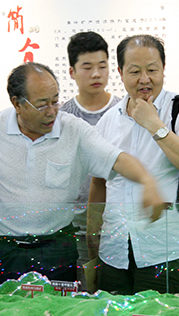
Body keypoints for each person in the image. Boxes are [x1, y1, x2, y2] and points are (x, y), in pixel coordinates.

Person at [0, 62, 165, 290]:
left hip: (55, 248)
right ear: (17, 103)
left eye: (55, 101)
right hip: (4, 248)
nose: (52, 111)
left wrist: (147, 181)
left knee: (58, 310)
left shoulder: (74, 130)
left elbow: (117, 159)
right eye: (42, 105)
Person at [89, 34, 179, 295]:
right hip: (114, 252)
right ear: (121, 72)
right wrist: (93, 238)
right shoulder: (108, 120)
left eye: (152, 70)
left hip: (169, 251)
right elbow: (99, 182)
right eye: (135, 71)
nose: (144, 79)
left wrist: (154, 124)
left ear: (163, 69)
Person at [60, 31, 122, 289]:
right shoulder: (61, 116)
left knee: (113, 291)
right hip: (73, 220)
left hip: (116, 216)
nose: (96, 74)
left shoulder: (123, 111)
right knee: (81, 289)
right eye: (87, 67)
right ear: (72, 72)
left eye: (102, 66)